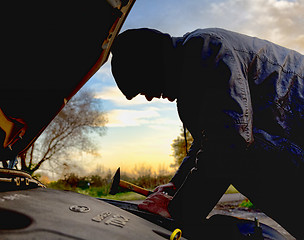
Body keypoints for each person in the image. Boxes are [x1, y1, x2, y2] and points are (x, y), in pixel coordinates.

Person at [111, 27, 304, 239]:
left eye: (141, 87)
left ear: (149, 63)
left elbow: (231, 141)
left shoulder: (204, 50)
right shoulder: (193, 69)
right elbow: (208, 141)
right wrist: (177, 185)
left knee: (236, 156)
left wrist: (178, 210)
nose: (148, 97)